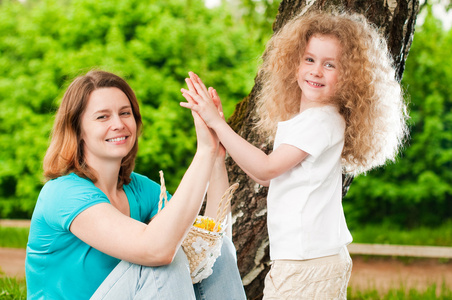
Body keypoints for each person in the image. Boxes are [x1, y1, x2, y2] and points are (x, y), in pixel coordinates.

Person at [180, 10, 408, 299]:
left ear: (350, 76)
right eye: (310, 59)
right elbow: (267, 177)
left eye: (330, 65)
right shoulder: (311, 121)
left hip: (307, 262)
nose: (316, 70)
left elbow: (265, 169)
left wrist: (218, 123)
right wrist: (222, 141)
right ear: (295, 62)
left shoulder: (320, 121)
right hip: (308, 258)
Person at [25, 70, 246, 299]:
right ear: (77, 129)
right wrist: (204, 152)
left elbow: (207, 245)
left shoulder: (141, 189)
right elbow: (157, 250)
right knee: (164, 258)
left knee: (218, 253)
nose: (118, 124)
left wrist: (216, 158)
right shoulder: (63, 193)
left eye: (125, 113)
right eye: (103, 117)